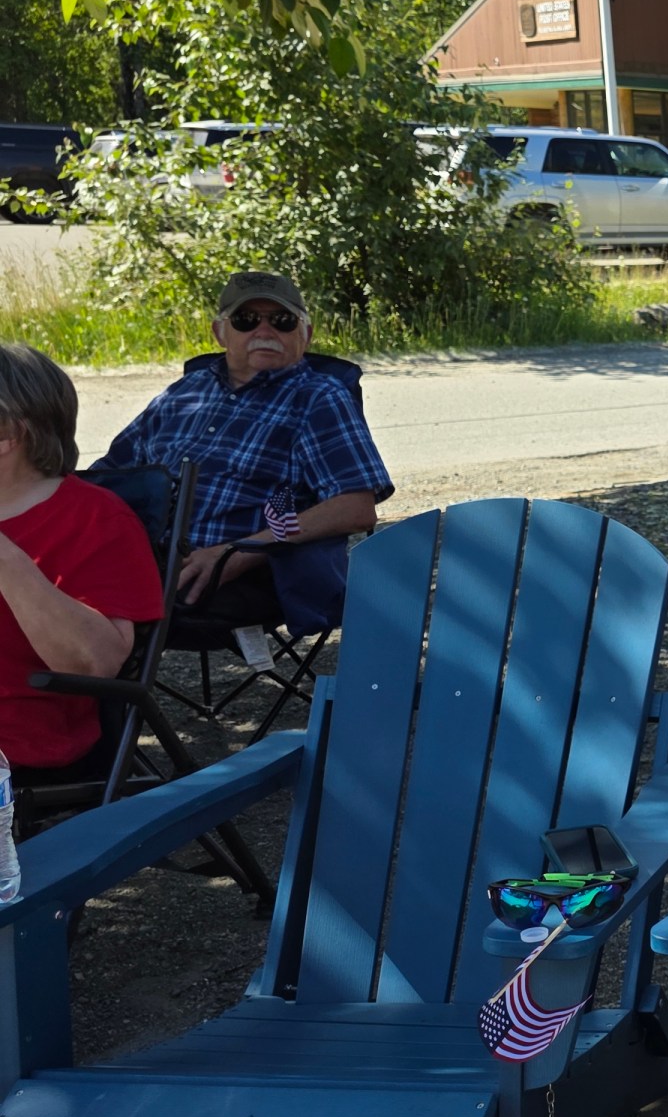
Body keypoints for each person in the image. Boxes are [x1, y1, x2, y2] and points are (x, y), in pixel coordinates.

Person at [96, 272, 389, 623]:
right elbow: (111, 475)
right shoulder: (186, 391)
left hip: (239, 575)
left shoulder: (318, 398)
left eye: (282, 321)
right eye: (246, 320)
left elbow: (354, 509)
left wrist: (237, 553)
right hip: (138, 557)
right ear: (220, 332)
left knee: (91, 610)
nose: (264, 331)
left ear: (306, 334)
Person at [0, 344, 164, 779]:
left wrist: (6, 558)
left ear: (8, 434)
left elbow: (95, 665)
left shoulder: (95, 519)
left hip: (23, 744)